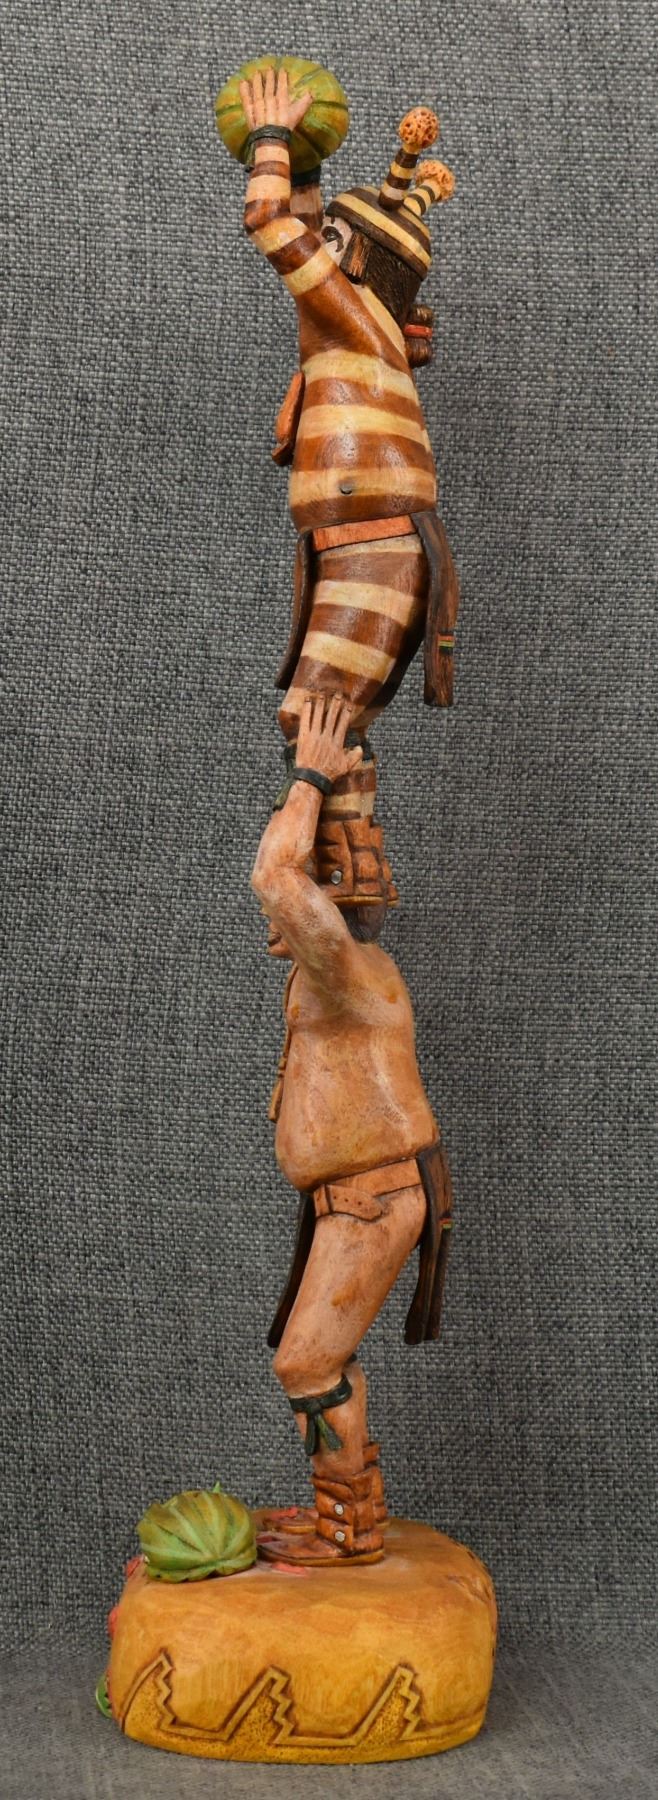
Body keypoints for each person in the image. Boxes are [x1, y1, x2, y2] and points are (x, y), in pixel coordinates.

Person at [240, 67, 460, 899]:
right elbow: (297, 225)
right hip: (357, 549)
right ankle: (348, 878)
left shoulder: (355, 320)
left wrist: (270, 137)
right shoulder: (359, 326)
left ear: (354, 259)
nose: (316, 249)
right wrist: (306, 164)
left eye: (330, 239)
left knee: (315, 720)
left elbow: (270, 223)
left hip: (372, 550)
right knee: (331, 721)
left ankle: (342, 868)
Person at [251, 694, 453, 1565]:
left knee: (306, 1364)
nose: (277, 916)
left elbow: (273, 878)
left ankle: (351, 1530)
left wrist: (310, 777)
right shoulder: (332, 973)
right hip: (356, 1197)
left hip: (373, 1196)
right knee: (315, 1362)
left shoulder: (346, 968)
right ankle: (345, 1515)